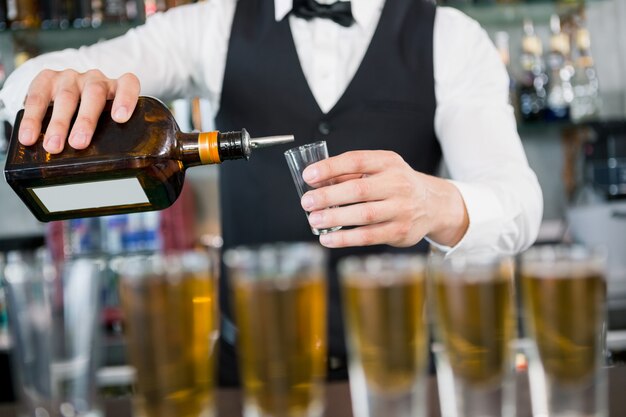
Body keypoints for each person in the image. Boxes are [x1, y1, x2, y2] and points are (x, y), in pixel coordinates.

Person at [0, 0, 543, 385]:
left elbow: (519, 201)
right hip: (247, 375)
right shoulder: (212, 23)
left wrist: (438, 204)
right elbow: (44, 75)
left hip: (396, 373)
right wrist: (50, 88)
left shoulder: (449, 36)